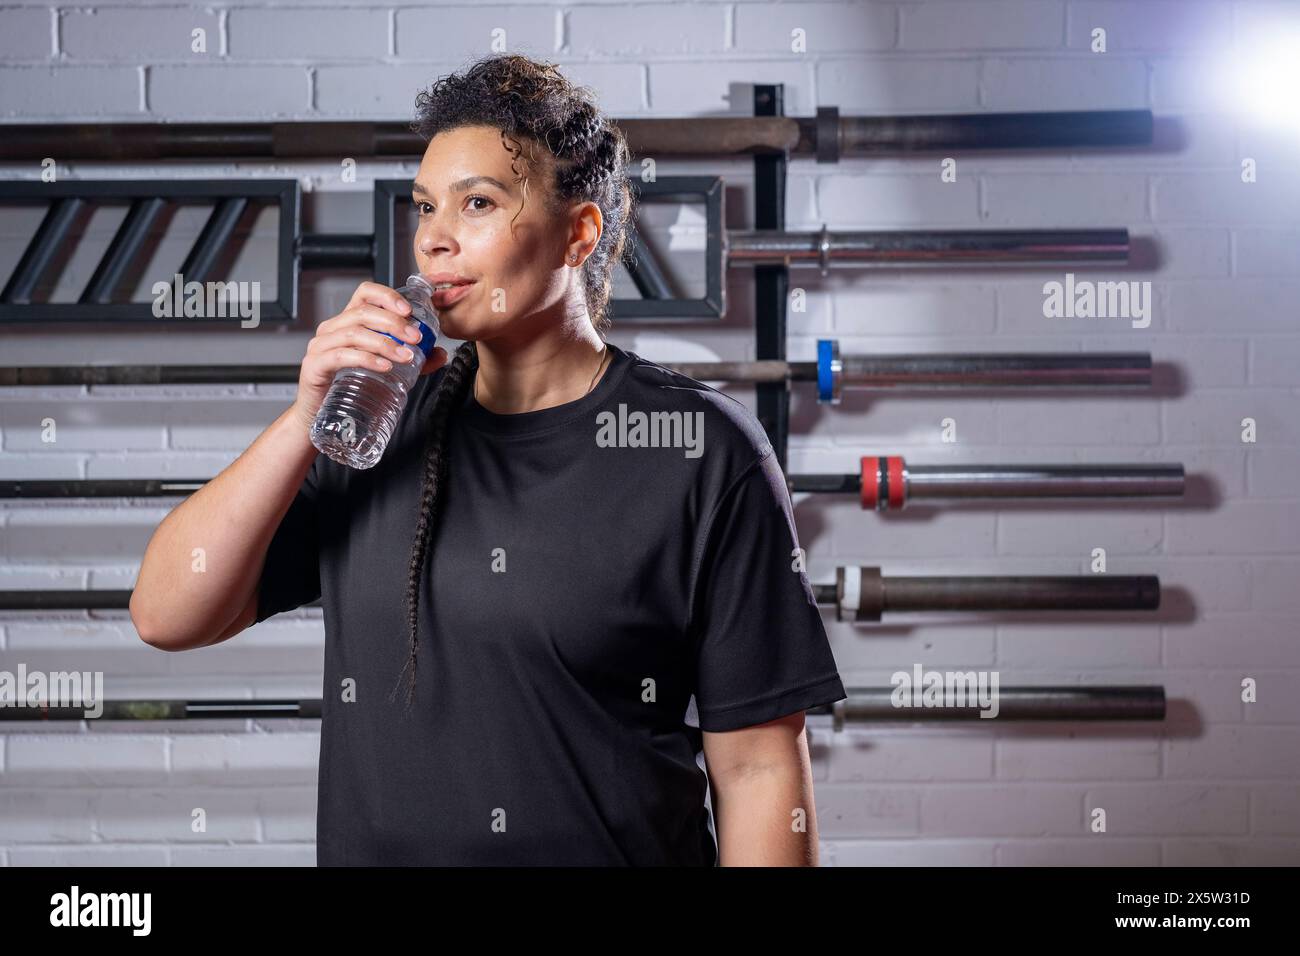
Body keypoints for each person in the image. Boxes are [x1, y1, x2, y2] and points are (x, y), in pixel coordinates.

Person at [130, 52, 846, 866]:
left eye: (478, 203)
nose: (434, 238)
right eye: (425, 206)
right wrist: (304, 417)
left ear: (578, 234)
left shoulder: (699, 453)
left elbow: (757, 770)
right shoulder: (372, 434)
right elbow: (166, 614)